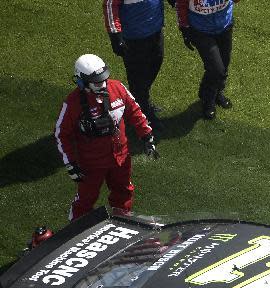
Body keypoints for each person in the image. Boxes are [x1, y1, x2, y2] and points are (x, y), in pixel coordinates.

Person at [55, 54, 159, 221]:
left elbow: (135, 111)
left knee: (124, 192)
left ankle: (121, 222)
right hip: (91, 163)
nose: (102, 84)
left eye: (103, 79)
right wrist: (70, 164)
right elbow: (61, 134)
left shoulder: (117, 88)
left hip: (121, 157)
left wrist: (147, 136)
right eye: (96, 82)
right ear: (81, 81)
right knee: (86, 198)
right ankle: (75, 229)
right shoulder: (72, 103)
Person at [103, 0, 166, 131]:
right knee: (138, 77)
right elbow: (110, 5)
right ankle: (142, 114)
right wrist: (115, 36)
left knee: (155, 64)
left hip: (155, 31)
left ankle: (139, 102)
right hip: (133, 39)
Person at [176, 0, 237, 119]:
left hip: (224, 25)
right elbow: (181, 3)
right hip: (201, 31)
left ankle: (217, 92)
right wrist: (185, 28)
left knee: (224, 63)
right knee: (216, 69)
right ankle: (208, 99)